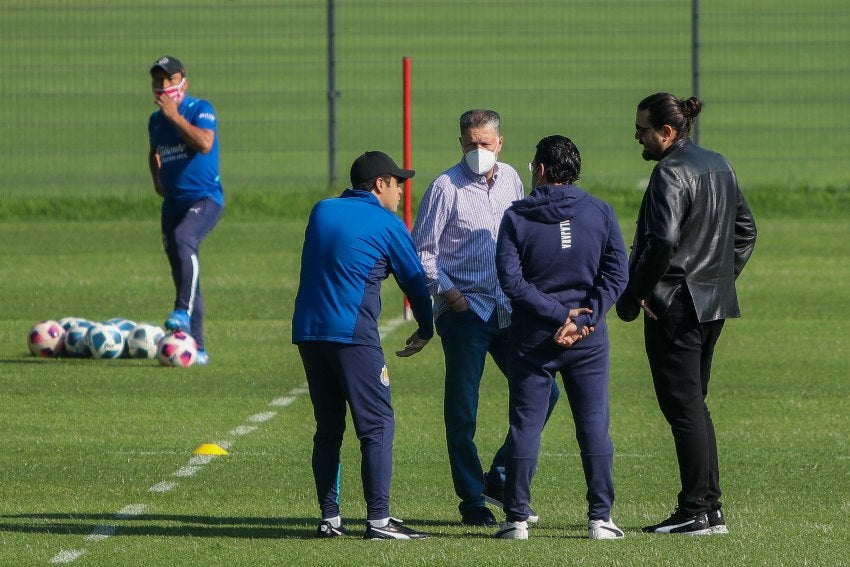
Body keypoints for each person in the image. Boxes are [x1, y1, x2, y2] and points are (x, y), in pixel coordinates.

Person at [616, 93, 757, 535]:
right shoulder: (719, 163)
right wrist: (719, 277)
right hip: (711, 305)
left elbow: (661, 241)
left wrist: (637, 293)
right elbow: (746, 231)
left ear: (667, 132)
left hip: (675, 307)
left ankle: (697, 509)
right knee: (694, 406)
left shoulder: (670, 173)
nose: (636, 136)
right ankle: (708, 508)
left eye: (642, 130)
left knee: (684, 409)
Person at [411, 109, 559, 527]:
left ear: (499, 142)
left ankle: (500, 475)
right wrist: (452, 295)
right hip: (466, 314)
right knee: (463, 411)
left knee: (545, 393)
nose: (478, 150)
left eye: (484, 143)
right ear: (461, 143)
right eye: (470, 143)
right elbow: (422, 253)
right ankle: (471, 498)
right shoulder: (445, 187)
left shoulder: (513, 179)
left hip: (510, 311)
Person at [292, 151, 434, 540]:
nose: (402, 190)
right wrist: (427, 327)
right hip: (351, 334)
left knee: (329, 427)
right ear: (379, 184)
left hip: (308, 331)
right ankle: (379, 520)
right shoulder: (387, 223)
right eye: (397, 182)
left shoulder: (321, 210)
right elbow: (415, 282)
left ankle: (330, 518)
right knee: (376, 425)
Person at [492, 135, 629, 540]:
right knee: (593, 426)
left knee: (524, 425)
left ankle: (516, 520)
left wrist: (557, 314)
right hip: (587, 340)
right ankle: (600, 519)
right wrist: (583, 318)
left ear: (541, 170)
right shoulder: (599, 212)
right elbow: (617, 275)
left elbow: (511, 282)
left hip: (533, 337)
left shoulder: (516, 217)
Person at [148, 55, 223, 365]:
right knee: (184, 273)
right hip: (173, 204)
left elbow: (205, 143)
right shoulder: (154, 121)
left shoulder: (200, 109)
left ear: (183, 82)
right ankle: (199, 348)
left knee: (184, 239)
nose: (163, 87)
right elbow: (154, 152)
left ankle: (181, 312)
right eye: (157, 81)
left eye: (169, 80)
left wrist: (175, 117)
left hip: (205, 199)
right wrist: (157, 179)